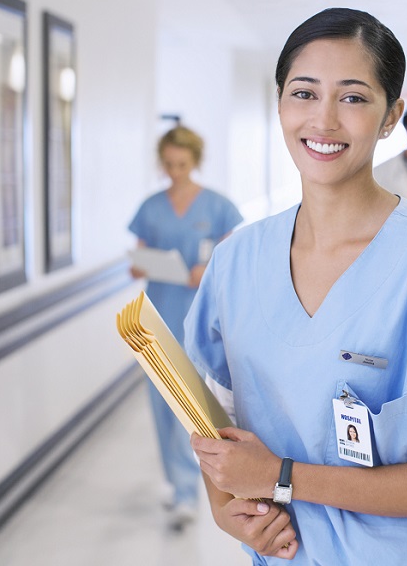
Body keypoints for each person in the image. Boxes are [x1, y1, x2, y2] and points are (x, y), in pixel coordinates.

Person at [185, 8, 407, 565]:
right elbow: (215, 430)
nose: (322, 121)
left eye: (352, 98)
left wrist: (283, 478)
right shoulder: (236, 262)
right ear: (279, 104)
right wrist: (227, 510)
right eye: (303, 93)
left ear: (391, 115)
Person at [128, 125, 243, 530]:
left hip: (199, 324)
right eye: (169, 165)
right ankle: (177, 484)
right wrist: (140, 264)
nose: (175, 172)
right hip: (155, 322)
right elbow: (137, 257)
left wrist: (205, 270)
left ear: (195, 162)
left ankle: (190, 492)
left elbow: (230, 260)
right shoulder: (150, 207)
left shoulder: (217, 207)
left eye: (182, 164)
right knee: (161, 407)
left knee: (191, 409)